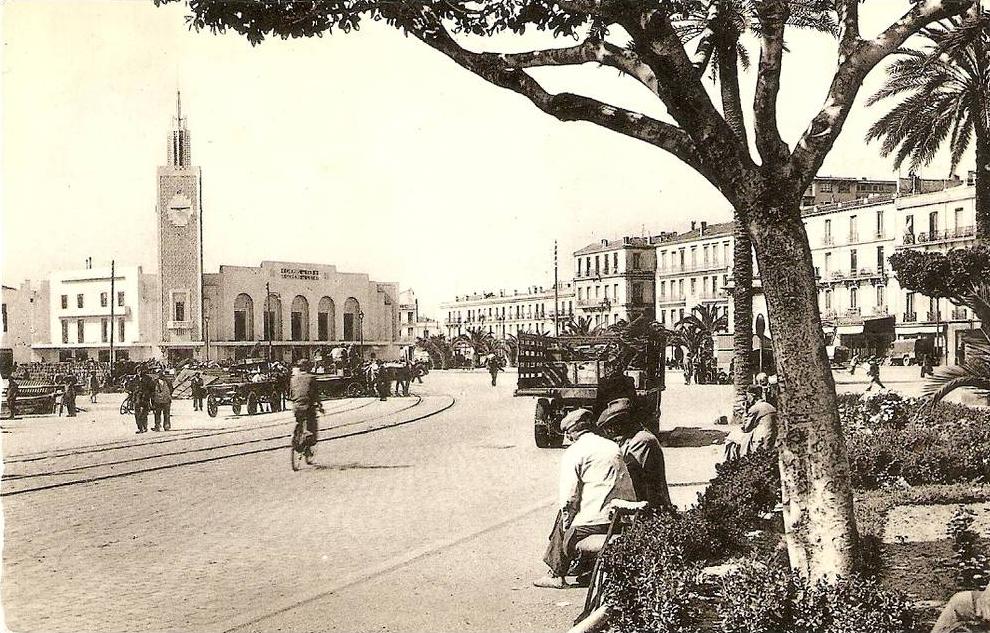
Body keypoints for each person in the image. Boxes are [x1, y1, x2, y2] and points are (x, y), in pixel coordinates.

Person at [534, 408, 635, 589]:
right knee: (578, 511)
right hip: (624, 518)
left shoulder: (574, 452)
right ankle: (585, 569)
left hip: (598, 522)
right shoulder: (611, 446)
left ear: (571, 433)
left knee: (565, 516)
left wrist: (566, 526)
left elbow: (568, 498)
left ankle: (556, 573)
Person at [597, 398, 674, 514]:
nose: (609, 432)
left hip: (649, 507)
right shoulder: (632, 439)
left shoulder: (642, 441)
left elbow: (629, 472)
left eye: (610, 427)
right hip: (641, 505)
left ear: (621, 424)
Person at [725, 391, 779, 460]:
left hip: (760, 437)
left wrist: (745, 410)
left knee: (731, 439)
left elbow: (746, 428)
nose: (747, 399)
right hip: (773, 436)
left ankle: (732, 461)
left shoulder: (755, 408)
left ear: (752, 396)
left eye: (748, 396)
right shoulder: (769, 406)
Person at [290, 358, 323, 464]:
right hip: (307, 406)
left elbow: (291, 393)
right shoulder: (312, 378)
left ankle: (297, 436)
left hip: (296, 406)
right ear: (308, 367)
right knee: (311, 426)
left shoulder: (293, 378)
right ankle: (307, 446)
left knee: (299, 421)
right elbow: (316, 394)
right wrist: (320, 405)